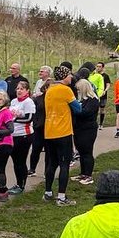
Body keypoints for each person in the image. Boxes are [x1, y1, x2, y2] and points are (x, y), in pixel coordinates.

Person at [41, 66, 76, 207]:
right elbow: (77, 108)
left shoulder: (49, 89)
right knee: (64, 164)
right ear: (64, 76)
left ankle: (48, 192)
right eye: (69, 75)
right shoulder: (65, 90)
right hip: (63, 132)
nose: (71, 77)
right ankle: (61, 196)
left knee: (52, 163)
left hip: (49, 131)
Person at [70, 79, 100, 185]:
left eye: (78, 89)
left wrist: (75, 108)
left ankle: (88, 175)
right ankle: (82, 173)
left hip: (88, 129)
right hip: (79, 128)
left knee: (87, 152)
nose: (77, 92)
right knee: (81, 152)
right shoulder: (82, 100)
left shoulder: (93, 100)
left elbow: (85, 112)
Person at [8, 80, 35, 195]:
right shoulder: (13, 101)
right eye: (18, 88)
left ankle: (22, 185)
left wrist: (14, 120)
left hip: (24, 135)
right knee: (15, 160)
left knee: (21, 161)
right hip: (13, 134)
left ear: (27, 91)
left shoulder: (28, 102)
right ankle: (18, 183)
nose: (19, 91)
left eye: (22, 89)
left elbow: (29, 119)